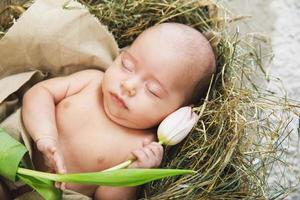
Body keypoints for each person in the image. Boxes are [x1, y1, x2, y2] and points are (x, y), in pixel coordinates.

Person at [21, 22, 216, 199]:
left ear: (175, 112)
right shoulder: (91, 81)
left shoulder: (142, 146)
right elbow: (39, 93)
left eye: (152, 91)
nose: (128, 85)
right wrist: (45, 137)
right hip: (18, 151)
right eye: (127, 65)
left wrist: (132, 176)